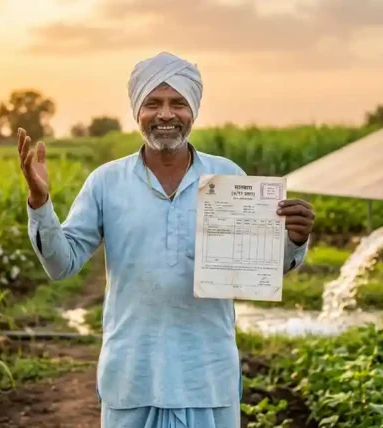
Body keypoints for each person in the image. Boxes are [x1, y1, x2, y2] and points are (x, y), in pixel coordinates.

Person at [17, 51, 315, 428]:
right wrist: (40, 203)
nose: (166, 115)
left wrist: (294, 240)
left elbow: (261, 267)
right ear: (137, 112)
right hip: (132, 375)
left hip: (207, 375)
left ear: (193, 111)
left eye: (178, 103)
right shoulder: (107, 181)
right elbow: (62, 265)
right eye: (153, 103)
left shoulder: (228, 179)